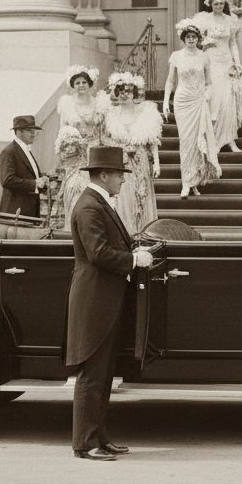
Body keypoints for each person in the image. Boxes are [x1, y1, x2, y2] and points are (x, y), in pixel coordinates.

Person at [64, 146, 154, 461]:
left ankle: (99, 439)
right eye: (119, 175)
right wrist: (134, 259)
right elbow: (98, 253)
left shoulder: (97, 203)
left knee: (102, 375)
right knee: (92, 375)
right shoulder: (90, 206)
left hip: (102, 300)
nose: (122, 180)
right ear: (103, 175)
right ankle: (85, 443)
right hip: (95, 301)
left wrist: (132, 249)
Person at [162, 20, 222, 197]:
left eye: (194, 37)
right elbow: (170, 81)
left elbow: (209, 83)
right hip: (182, 102)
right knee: (186, 141)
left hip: (199, 101)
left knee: (197, 143)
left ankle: (194, 181)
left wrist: (207, 95)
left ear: (198, 38)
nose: (191, 39)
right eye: (188, 36)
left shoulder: (204, 57)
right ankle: (185, 183)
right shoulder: (176, 56)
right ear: (183, 38)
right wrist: (165, 101)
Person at [102, 71, 162, 235]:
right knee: (124, 197)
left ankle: (144, 233)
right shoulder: (111, 114)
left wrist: (157, 162)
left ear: (134, 93)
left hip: (140, 160)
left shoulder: (146, 112)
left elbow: (153, 139)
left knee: (142, 195)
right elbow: (105, 139)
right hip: (121, 162)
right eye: (120, 91)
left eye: (127, 91)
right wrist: (120, 148)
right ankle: (126, 234)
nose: (124, 94)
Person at [56, 65, 110, 229]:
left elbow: (104, 130)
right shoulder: (67, 105)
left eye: (84, 82)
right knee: (75, 189)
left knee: (94, 189)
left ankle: (93, 227)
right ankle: (75, 227)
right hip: (75, 155)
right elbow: (62, 131)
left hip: (94, 152)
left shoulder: (99, 103)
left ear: (89, 83)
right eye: (77, 83)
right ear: (73, 85)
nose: (81, 85)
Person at [195, 0, 242, 152]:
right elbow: (197, 43)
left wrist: (237, 63)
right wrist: (205, 44)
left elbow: (233, 44)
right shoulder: (204, 20)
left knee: (228, 100)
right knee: (214, 100)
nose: (219, 6)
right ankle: (212, 139)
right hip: (211, 62)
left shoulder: (230, 20)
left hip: (226, 62)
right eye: (216, 4)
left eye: (222, 4)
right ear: (210, 4)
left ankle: (229, 139)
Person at [0, 116, 48, 218]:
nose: (33, 133)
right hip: (15, 212)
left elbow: (30, 176)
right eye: (29, 130)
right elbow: (7, 180)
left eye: (34, 130)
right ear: (19, 132)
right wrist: (35, 183)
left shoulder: (26, 150)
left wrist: (43, 182)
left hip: (28, 211)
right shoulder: (9, 152)